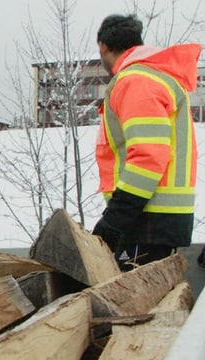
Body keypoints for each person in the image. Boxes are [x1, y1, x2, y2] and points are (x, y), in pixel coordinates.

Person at [92, 14, 202, 271]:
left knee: (129, 307)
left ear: (103, 47)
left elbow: (148, 156)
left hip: (146, 220)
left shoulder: (136, 80)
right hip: (157, 221)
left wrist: (115, 221)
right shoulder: (157, 77)